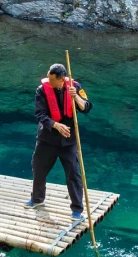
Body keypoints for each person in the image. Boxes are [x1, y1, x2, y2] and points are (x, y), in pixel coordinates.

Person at [26, 63, 91, 219]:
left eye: (51, 78)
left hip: (68, 140)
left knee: (73, 173)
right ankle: (37, 199)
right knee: (38, 168)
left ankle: (77, 209)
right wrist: (55, 125)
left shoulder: (75, 87)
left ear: (61, 80)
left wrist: (76, 97)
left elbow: (87, 107)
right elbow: (39, 114)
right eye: (48, 75)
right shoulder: (42, 90)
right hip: (47, 138)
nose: (48, 79)